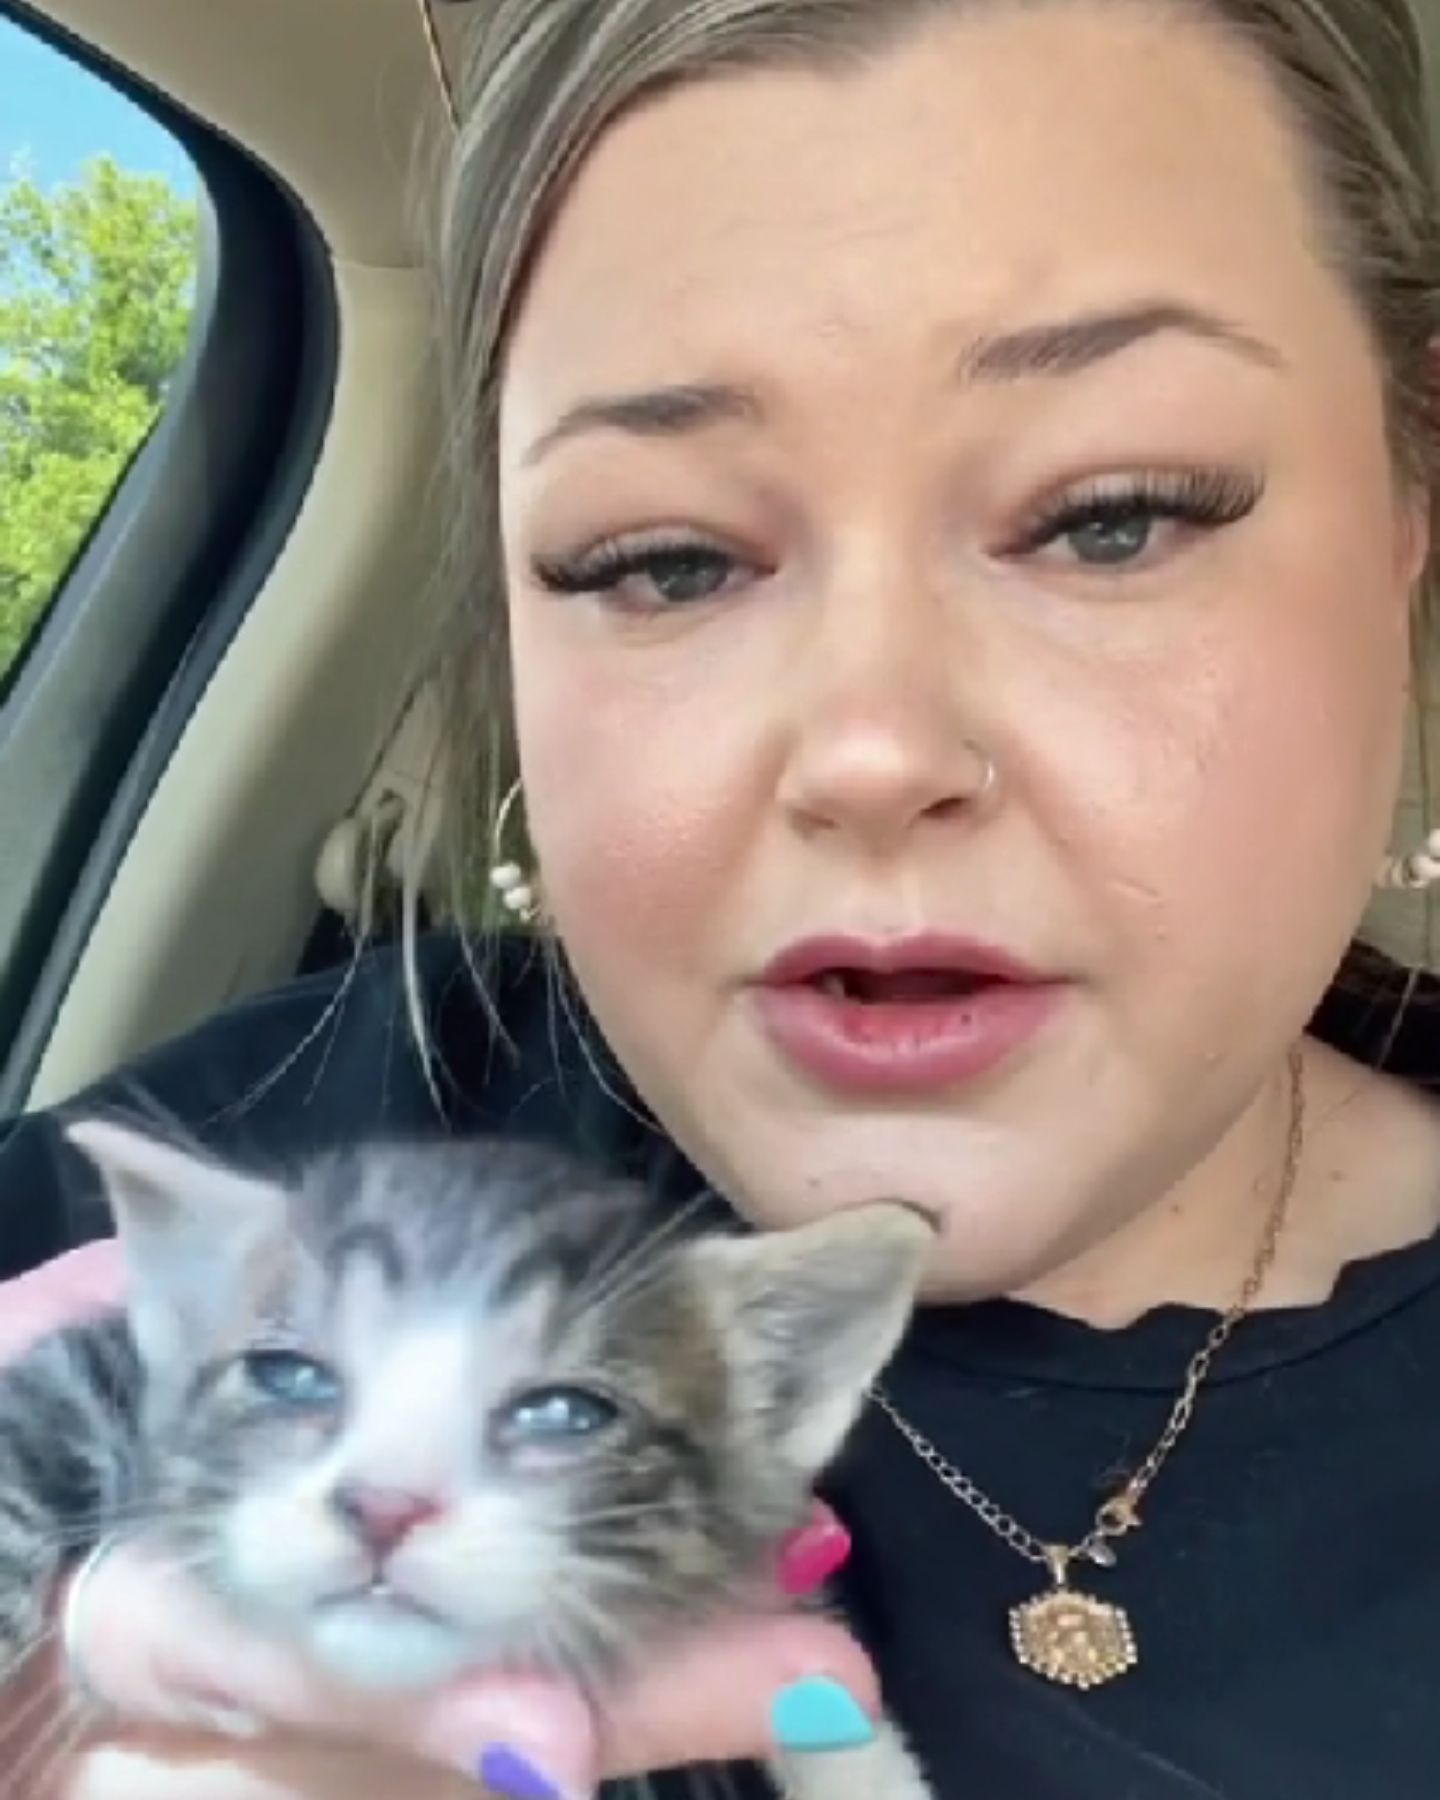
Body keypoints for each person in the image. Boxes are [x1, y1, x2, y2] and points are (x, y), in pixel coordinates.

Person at [2, 0, 1439, 1792]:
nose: (868, 747)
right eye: (664, 558)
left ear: (1406, 514)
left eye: (1114, 517)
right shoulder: (210, 1191)